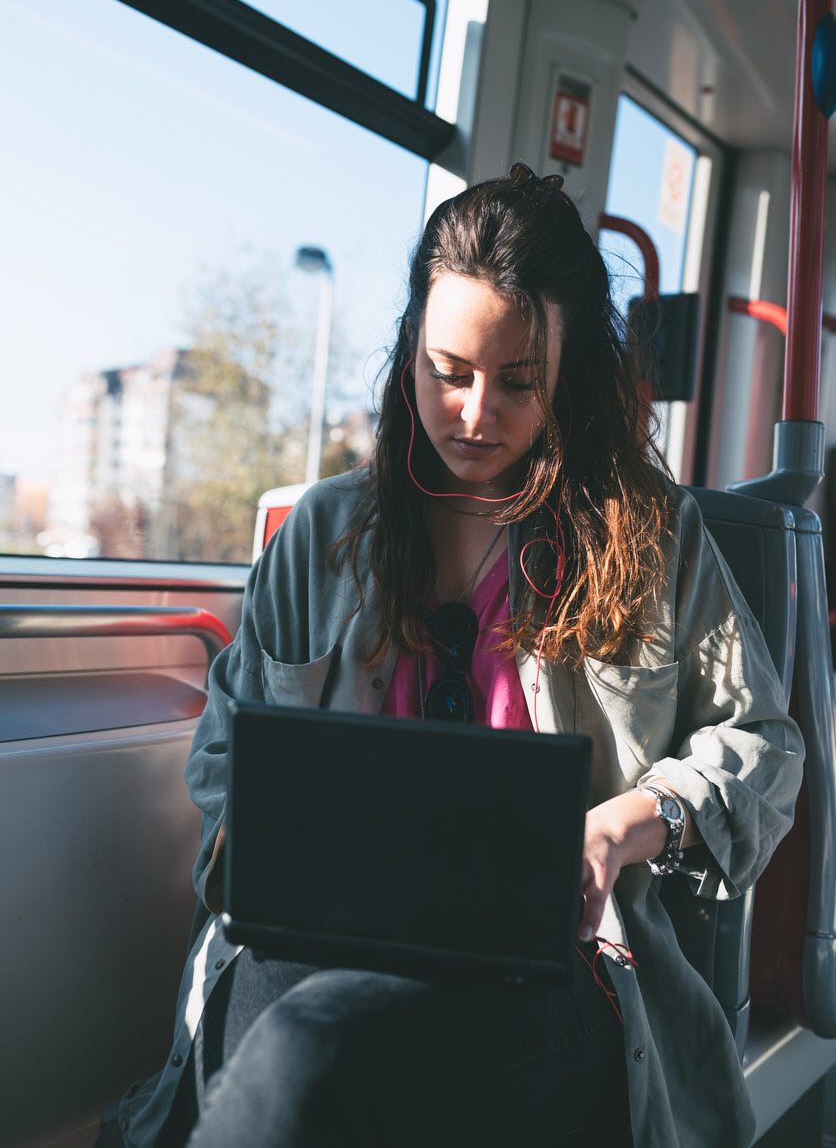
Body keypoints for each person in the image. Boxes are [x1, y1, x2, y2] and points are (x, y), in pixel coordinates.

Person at [101, 164, 803, 1148]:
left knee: (305, 1056)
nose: (474, 414)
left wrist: (616, 831)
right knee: (287, 1038)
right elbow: (224, 756)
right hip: (323, 939)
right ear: (409, 358)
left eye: (516, 383)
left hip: (558, 962)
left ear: (568, 375)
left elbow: (762, 746)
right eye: (448, 372)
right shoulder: (323, 531)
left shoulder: (650, 539)